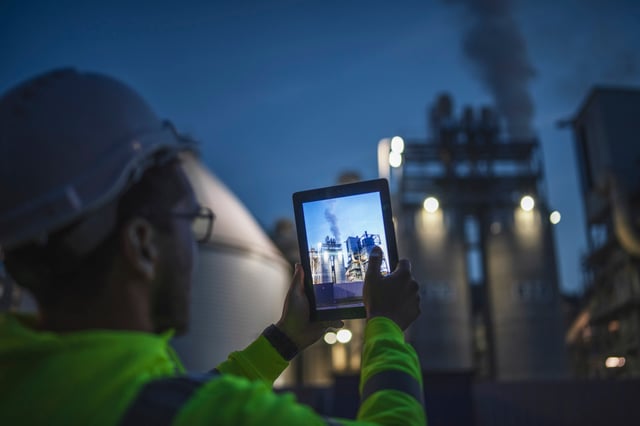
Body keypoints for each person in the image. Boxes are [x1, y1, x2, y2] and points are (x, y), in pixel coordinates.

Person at [0, 68, 424, 425]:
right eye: (191, 222)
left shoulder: (22, 382)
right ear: (143, 245)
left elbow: (179, 398)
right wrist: (386, 327)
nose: (193, 244)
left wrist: (284, 340)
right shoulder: (206, 413)